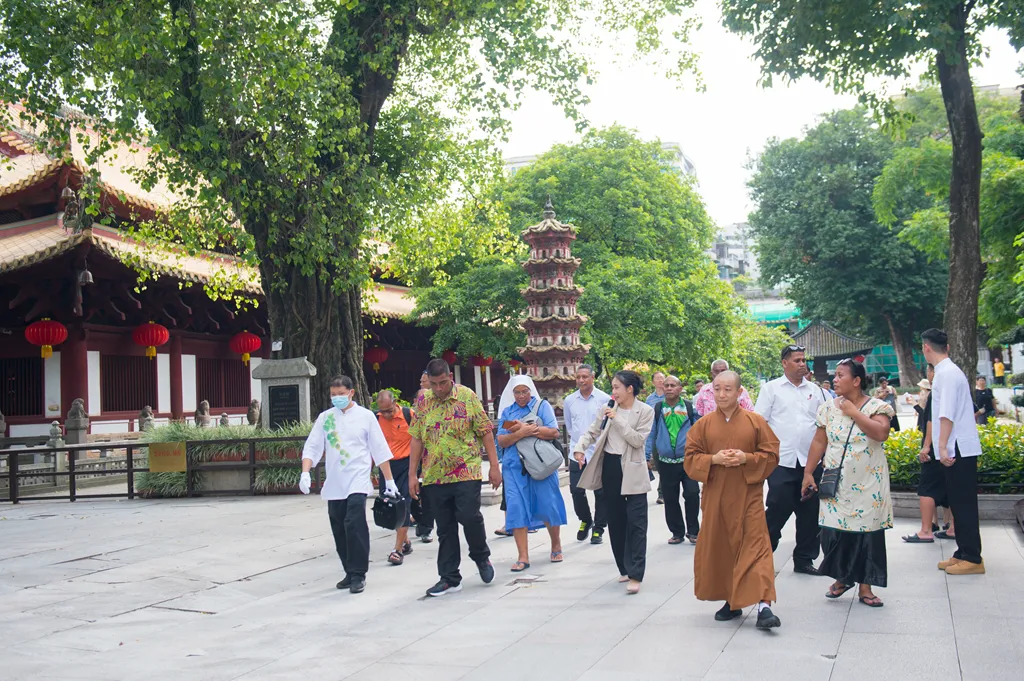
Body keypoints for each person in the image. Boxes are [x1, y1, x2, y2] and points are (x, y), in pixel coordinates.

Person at [684, 371, 782, 629]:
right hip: (716, 498)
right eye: (717, 389)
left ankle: (764, 606)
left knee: (757, 547)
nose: (722, 394)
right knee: (724, 548)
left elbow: (771, 455)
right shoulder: (703, 425)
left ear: (740, 393)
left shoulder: (755, 422)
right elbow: (690, 459)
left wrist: (746, 459)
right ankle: (732, 601)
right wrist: (713, 459)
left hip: (748, 497)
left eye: (728, 389)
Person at [801, 359, 894, 608]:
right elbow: (819, 441)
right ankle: (842, 578)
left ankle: (866, 586)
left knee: (868, 534)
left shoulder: (878, 406)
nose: (835, 378)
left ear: (856, 381)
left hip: (868, 482)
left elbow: (881, 433)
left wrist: (854, 412)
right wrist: (808, 472)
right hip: (836, 481)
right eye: (835, 374)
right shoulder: (827, 408)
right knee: (833, 531)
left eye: (841, 375)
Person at [409, 359, 503, 596]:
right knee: (445, 527)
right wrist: (412, 474)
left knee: (469, 516)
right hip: (434, 475)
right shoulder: (423, 402)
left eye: (442, 383)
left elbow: (485, 432)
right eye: (433, 384)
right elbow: (417, 438)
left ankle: (481, 557)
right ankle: (450, 577)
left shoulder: (467, 397)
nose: (439, 389)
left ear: (450, 377)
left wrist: (494, 467)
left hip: (465, 470)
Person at [299, 376, 399, 594]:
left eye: (341, 394)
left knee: (354, 523)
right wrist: (305, 472)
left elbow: (379, 449)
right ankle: (348, 570)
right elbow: (313, 446)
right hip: (335, 482)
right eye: (333, 395)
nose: (337, 398)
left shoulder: (365, 417)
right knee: (339, 526)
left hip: (358, 479)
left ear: (351, 393)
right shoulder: (325, 418)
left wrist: (389, 479)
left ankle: (358, 573)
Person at [574, 370, 655, 595]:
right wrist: (580, 448)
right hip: (611, 467)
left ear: (630, 389)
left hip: (634, 468)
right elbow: (592, 432)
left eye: (617, 387)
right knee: (616, 521)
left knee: (637, 522)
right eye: (612, 387)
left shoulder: (645, 411)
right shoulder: (607, 408)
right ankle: (624, 567)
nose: (614, 391)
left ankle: (637, 573)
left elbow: (637, 440)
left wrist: (617, 419)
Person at [755, 345, 829, 575]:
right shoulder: (771, 389)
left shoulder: (816, 391)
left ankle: (804, 559)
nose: (802, 364)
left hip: (810, 461)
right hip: (781, 461)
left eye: (803, 360)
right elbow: (759, 422)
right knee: (778, 506)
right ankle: (762, 553)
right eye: (796, 360)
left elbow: (823, 423)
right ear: (784, 363)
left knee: (810, 513)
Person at [922, 328, 985, 575]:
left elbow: (945, 413)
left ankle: (972, 557)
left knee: (963, 503)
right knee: (958, 502)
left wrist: (942, 446)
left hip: (956, 445)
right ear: (946, 347)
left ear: (926, 348)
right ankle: (963, 552)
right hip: (957, 444)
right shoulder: (949, 371)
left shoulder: (946, 374)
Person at [495, 376, 567, 570]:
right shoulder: (508, 412)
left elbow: (553, 432)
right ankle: (523, 556)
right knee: (516, 507)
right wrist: (521, 432)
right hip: (514, 467)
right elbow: (501, 440)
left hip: (539, 463)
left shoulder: (542, 407)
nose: (521, 396)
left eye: (524, 391)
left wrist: (531, 430)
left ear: (531, 391)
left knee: (548, 504)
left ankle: (556, 544)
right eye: (517, 392)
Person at [645, 375, 700, 544]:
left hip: (688, 460)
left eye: (672, 385)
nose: (668, 388)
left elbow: (700, 431)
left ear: (680, 388)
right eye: (666, 385)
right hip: (666, 462)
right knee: (670, 498)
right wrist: (646, 455)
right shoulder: (658, 408)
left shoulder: (690, 408)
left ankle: (693, 531)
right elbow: (651, 434)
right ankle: (677, 532)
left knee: (692, 494)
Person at [903, 367, 952, 543]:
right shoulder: (952, 389)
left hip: (937, 448)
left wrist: (926, 446)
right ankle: (952, 527)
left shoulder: (936, 394)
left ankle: (926, 530)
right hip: (951, 448)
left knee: (926, 489)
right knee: (950, 487)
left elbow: (931, 421)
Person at [563, 365, 610, 545]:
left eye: (585, 377)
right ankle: (585, 519)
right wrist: (578, 446)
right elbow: (569, 424)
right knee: (576, 490)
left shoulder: (604, 399)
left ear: (592, 377)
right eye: (578, 377)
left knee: (600, 492)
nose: (581, 380)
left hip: (598, 451)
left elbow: (606, 426)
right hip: (577, 450)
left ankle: (599, 528)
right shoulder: (569, 400)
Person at [375, 390, 416, 565]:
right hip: (386, 467)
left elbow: (419, 438)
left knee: (404, 504)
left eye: (389, 410)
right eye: (383, 411)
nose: (387, 414)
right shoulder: (375, 419)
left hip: (406, 465)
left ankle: (397, 550)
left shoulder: (409, 415)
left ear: (395, 403)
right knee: (390, 507)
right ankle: (405, 541)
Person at [409, 386, 435, 543]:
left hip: (428, 463)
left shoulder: (435, 416)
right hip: (409, 461)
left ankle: (426, 529)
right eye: (422, 399)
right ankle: (418, 519)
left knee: (427, 497)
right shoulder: (408, 416)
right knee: (409, 497)